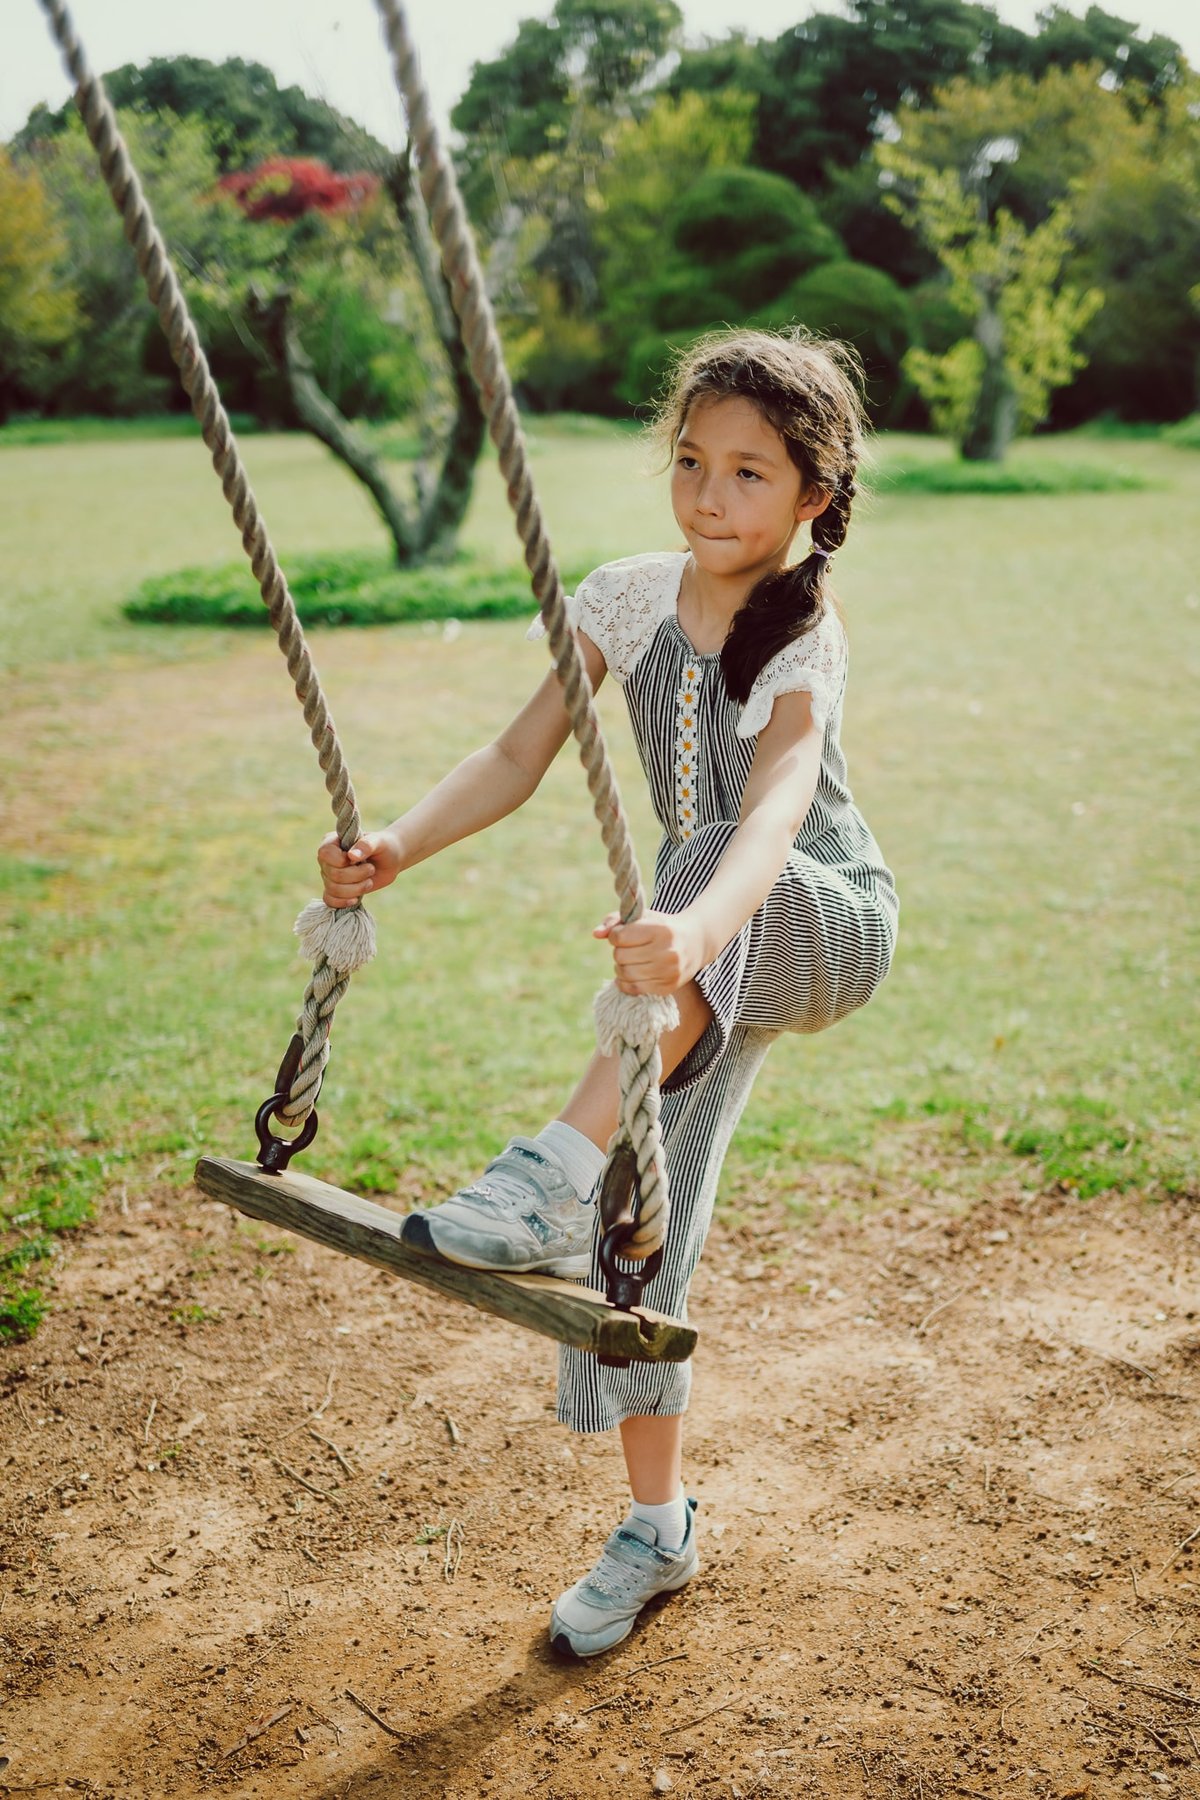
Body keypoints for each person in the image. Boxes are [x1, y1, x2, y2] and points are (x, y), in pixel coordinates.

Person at [318, 328, 898, 1659]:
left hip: (817, 922)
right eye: (691, 462)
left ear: (812, 495)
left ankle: (547, 1172)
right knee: (645, 1230)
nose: (709, 496)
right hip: (697, 960)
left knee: (696, 850)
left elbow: (775, 816)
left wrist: (691, 929)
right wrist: (397, 845)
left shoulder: (805, 635)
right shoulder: (627, 600)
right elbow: (520, 752)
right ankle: (657, 1527)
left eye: (749, 473)